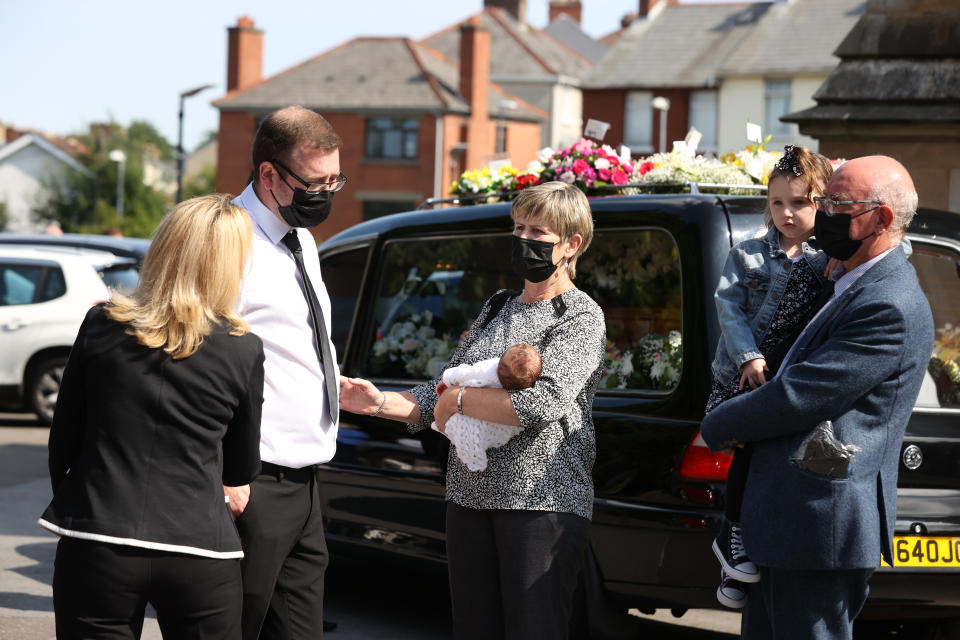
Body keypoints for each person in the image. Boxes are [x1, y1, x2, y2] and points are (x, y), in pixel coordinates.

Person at [341, 181, 605, 640]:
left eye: (537, 231)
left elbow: (542, 402)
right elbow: (446, 386)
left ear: (571, 244)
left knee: (534, 629)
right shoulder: (498, 305)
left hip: (539, 504)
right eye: (518, 226)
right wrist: (379, 402)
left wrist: (458, 401)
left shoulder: (579, 316)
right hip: (468, 499)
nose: (523, 239)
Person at [700, 156, 934, 640]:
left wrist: (721, 423)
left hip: (819, 526)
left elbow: (799, 396)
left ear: (882, 219)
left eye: (837, 204)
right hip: (786, 525)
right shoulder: (844, 278)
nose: (821, 213)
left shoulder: (887, 301)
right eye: (822, 201)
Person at [39, 194, 264, 639]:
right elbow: (241, 467)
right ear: (228, 264)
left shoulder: (101, 323)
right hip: (199, 545)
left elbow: (63, 438)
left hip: (98, 535)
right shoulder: (244, 347)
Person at [227, 105, 347, 640]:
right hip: (254, 479)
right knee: (232, 627)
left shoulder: (301, 238)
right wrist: (222, 474)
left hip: (305, 479)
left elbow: (294, 341)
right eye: (314, 181)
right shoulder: (228, 242)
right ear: (269, 174)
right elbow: (201, 362)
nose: (325, 194)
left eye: (335, 180)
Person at [706, 146, 834, 608]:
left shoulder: (829, 257)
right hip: (747, 375)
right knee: (747, 456)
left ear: (823, 201)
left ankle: (739, 574)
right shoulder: (749, 253)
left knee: (775, 465)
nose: (787, 213)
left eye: (799, 202)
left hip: (789, 379)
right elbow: (729, 308)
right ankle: (734, 537)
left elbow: (896, 245)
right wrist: (747, 357)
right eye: (778, 203)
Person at [433, 343, 543, 471]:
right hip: (497, 425)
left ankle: (443, 429)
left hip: (468, 412)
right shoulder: (517, 392)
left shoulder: (488, 368)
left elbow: (463, 373)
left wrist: (447, 379)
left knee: (457, 423)